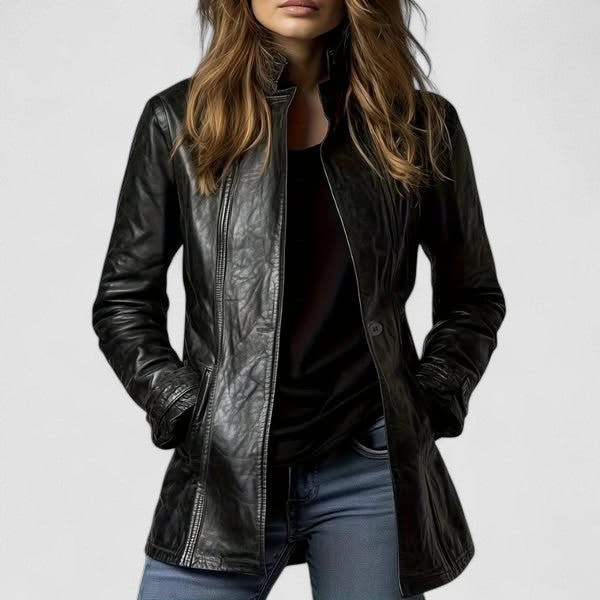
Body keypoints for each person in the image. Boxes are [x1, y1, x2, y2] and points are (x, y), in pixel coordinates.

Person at [91, 1, 506, 598]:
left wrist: (430, 399)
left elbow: (473, 295)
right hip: (226, 470)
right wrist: (183, 407)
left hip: (367, 466)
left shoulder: (417, 125)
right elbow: (124, 300)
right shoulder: (179, 121)